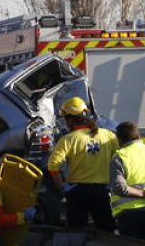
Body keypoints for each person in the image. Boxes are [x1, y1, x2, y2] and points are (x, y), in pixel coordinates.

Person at [46, 97, 118, 233]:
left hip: (77, 192)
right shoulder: (108, 135)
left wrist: (61, 187)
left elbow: (53, 166)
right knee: (107, 229)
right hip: (101, 191)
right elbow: (119, 157)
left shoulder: (68, 139)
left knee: (76, 231)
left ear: (69, 120)